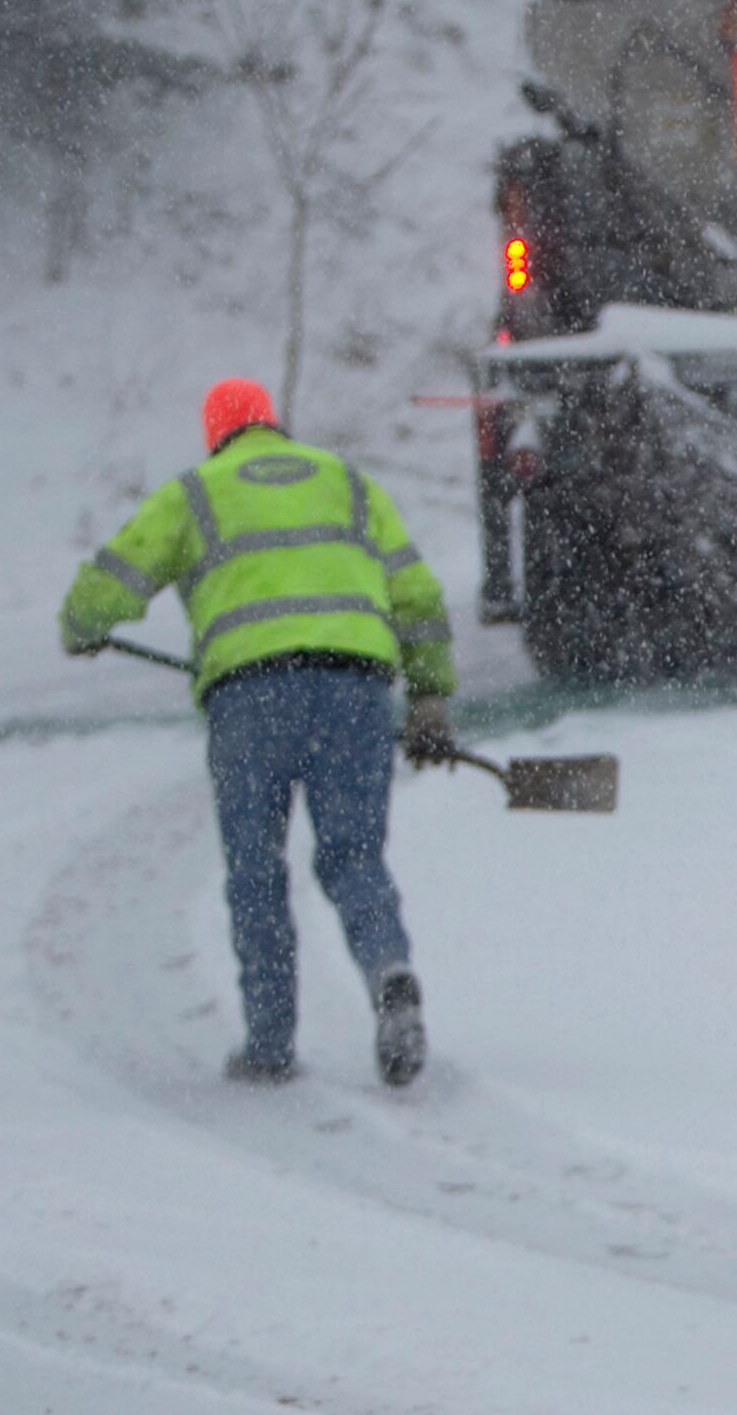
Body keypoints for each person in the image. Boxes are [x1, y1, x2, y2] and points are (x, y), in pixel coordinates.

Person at [60, 377, 459, 1086]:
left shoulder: (197, 492)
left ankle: (270, 1046)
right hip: (357, 686)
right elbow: (418, 594)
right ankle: (389, 971)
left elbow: (113, 577)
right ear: (272, 425)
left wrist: (84, 626)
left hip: (252, 697)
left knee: (256, 869)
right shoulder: (349, 484)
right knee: (353, 856)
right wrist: (429, 697)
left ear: (217, 433)